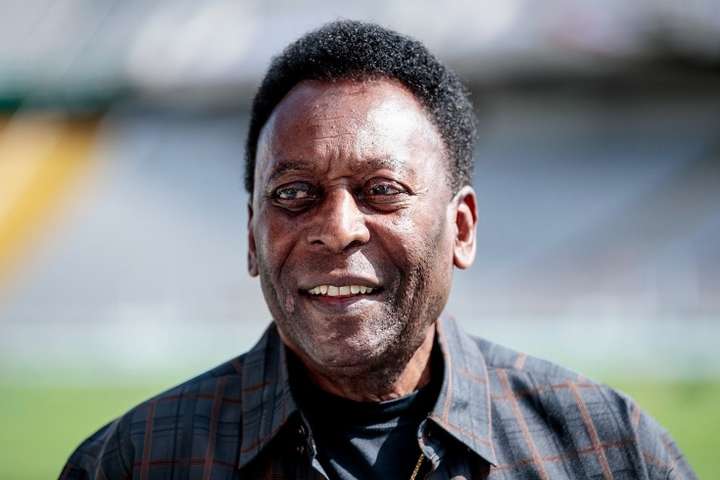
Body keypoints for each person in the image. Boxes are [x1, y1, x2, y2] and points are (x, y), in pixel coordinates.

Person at [61, 20, 696, 480]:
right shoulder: (135, 461)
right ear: (252, 238)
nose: (338, 229)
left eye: (382, 191)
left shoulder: (611, 450)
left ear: (462, 229)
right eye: (294, 193)